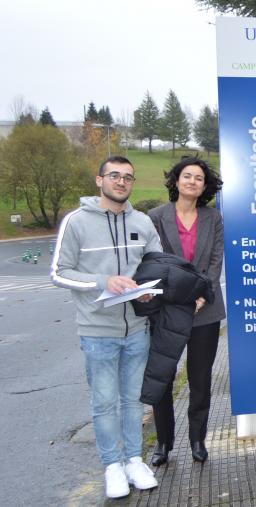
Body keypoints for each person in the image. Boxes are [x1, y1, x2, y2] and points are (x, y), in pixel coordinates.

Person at [50, 155, 161, 499]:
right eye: (114, 175)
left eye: (128, 177)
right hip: (97, 331)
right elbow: (59, 272)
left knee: (132, 400)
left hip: (136, 329)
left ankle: (133, 459)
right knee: (103, 402)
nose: (122, 182)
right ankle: (112, 465)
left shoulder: (142, 222)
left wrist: (148, 293)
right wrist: (102, 282)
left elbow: (157, 265)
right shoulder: (77, 222)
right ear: (99, 180)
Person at [145, 157, 224, 466]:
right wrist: (180, 296)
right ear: (176, 181)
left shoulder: (213, 217)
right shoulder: (155, 216)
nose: (193, 181)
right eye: (187, 176)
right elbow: (154, 262)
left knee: (200, 379)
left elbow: (215, 261)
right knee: (162, 378)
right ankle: (163, 442)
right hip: (167, 309)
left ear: (205, 186)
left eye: (199, 178)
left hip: (205, 311)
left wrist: (202, 294)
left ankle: (197, 440)